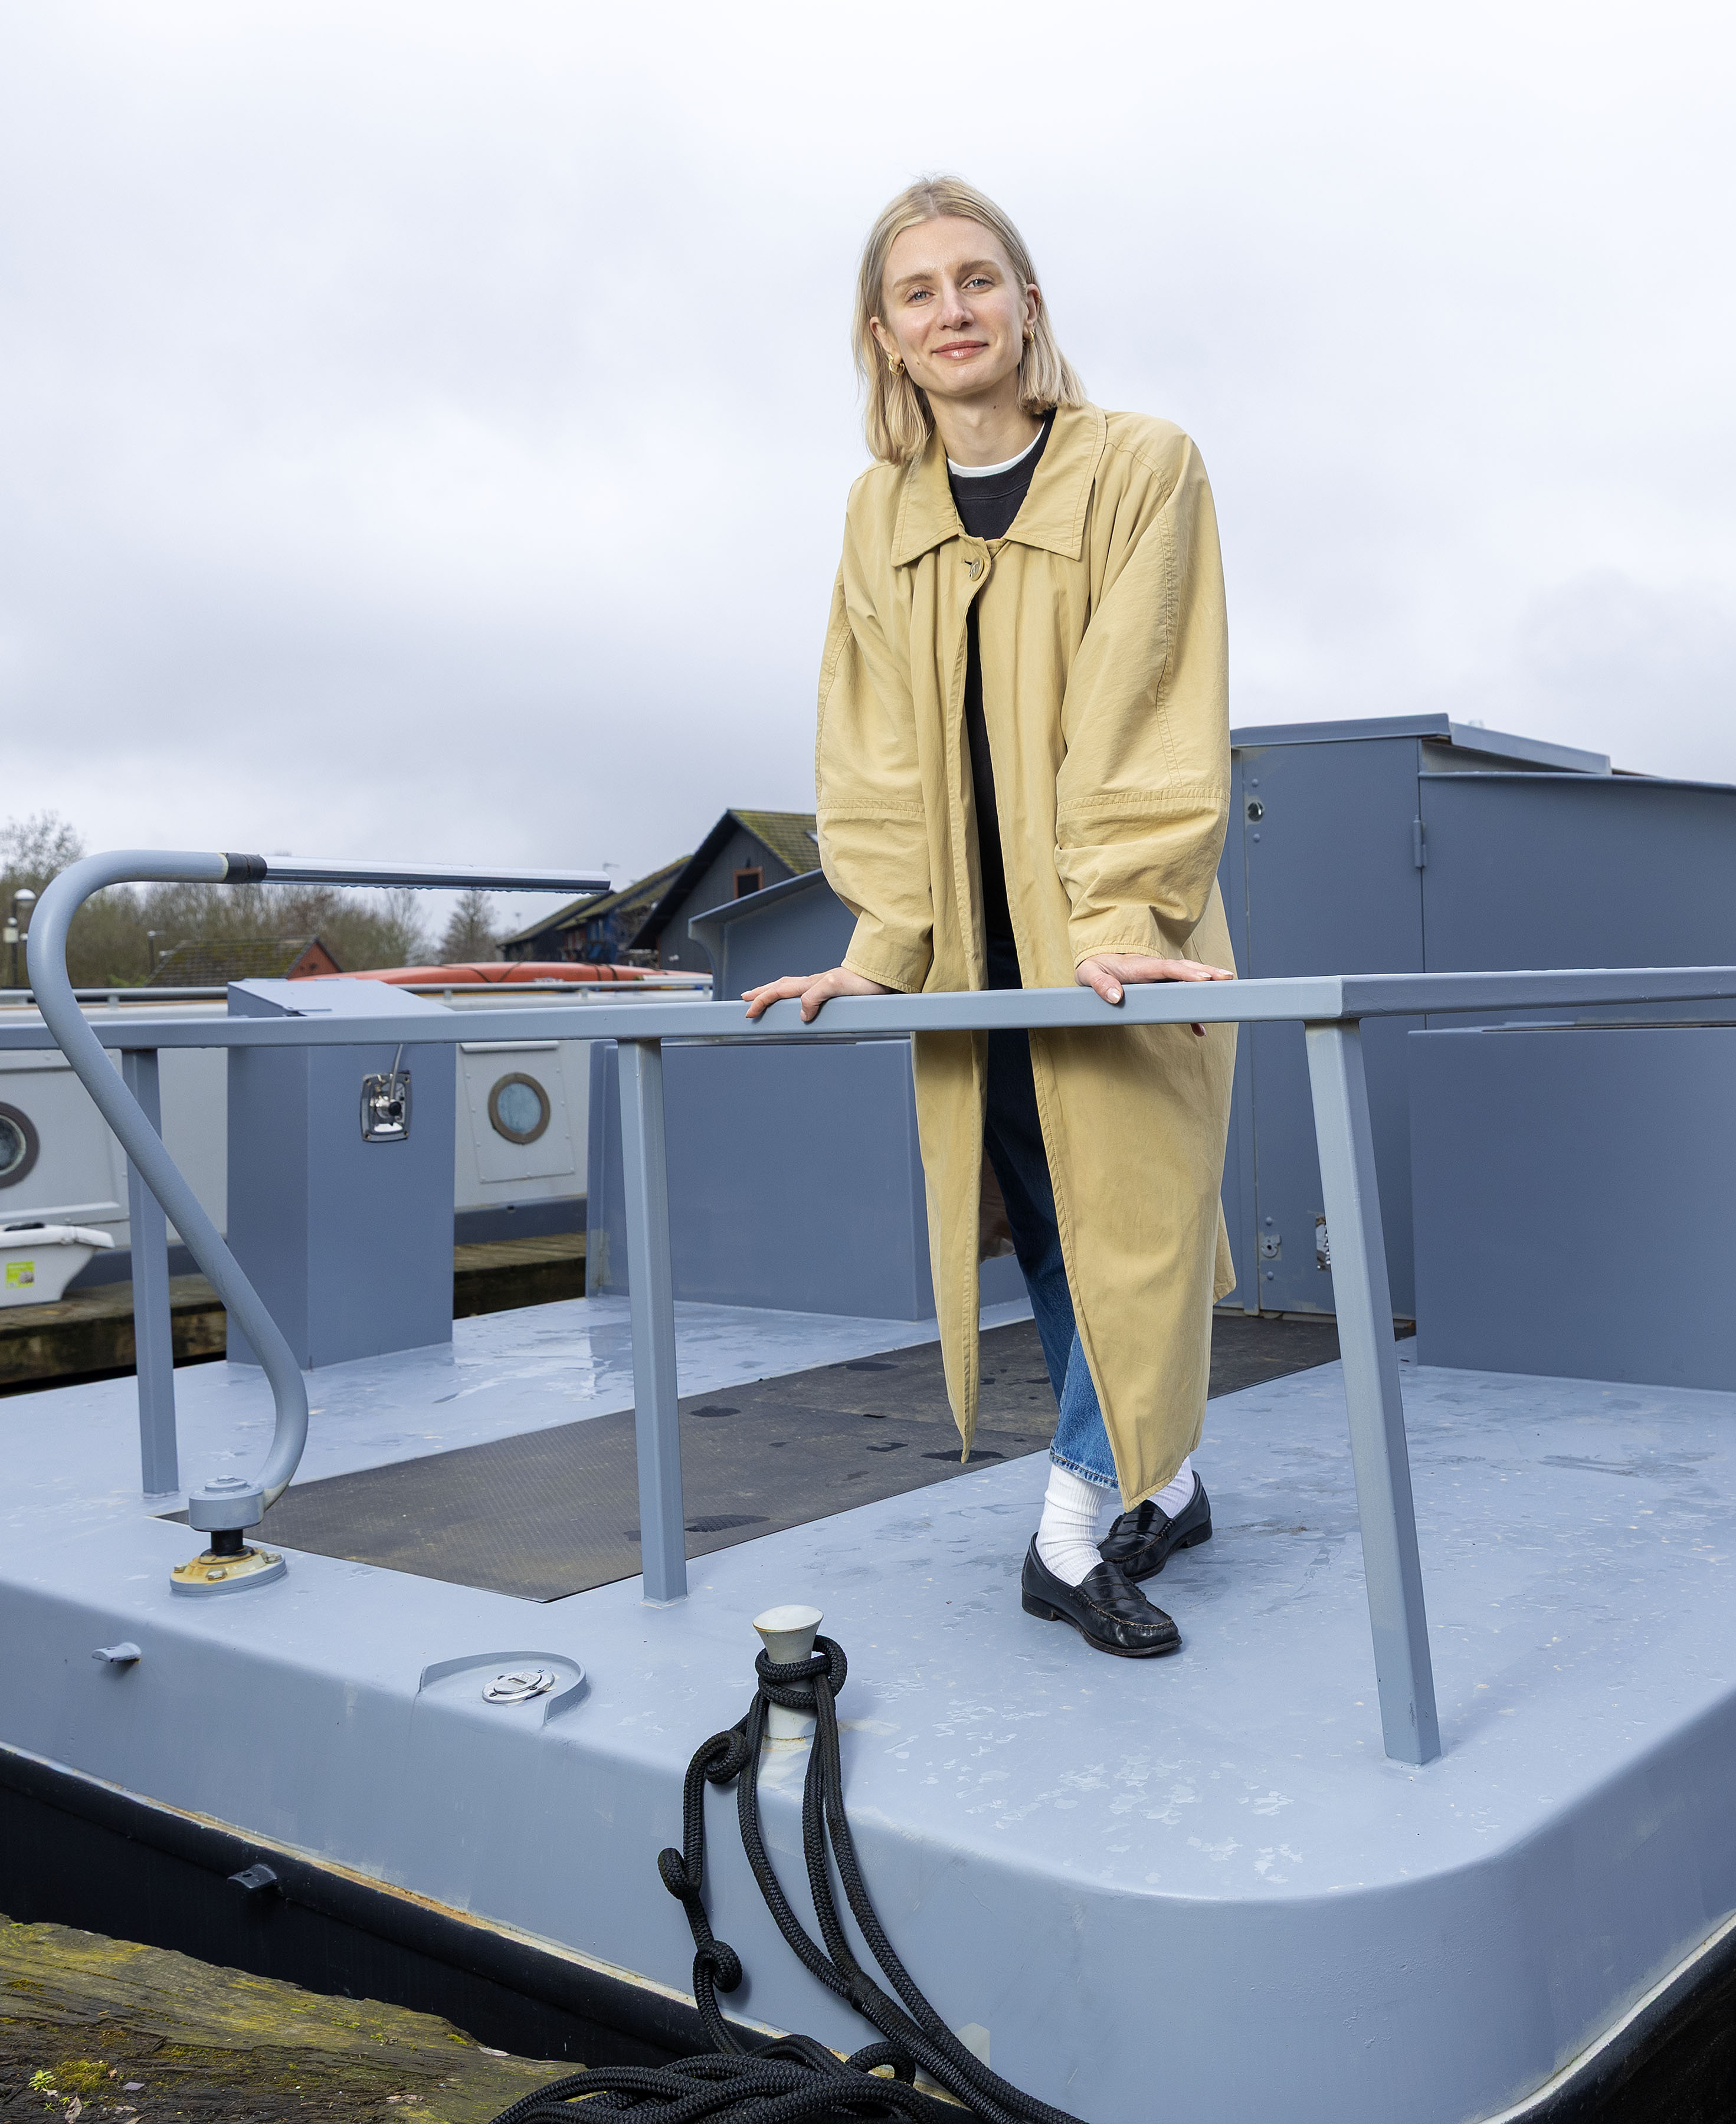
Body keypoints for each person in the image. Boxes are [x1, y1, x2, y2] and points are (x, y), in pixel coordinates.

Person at [739, 176, 1235, 1658]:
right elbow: (874, 749)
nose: (951, 311)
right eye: (918, 293)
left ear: (1028, 306)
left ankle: (1073, 1530)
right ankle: (1174, 1480)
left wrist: (1127, 908)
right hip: (973, 962)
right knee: (1050, 1232)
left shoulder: (1143, 467)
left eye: (977, 280)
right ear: (884, 338)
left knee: (1137, 1226)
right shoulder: (879, 513)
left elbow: (1150, 703)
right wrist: (881, 947)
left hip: (1115, 947)